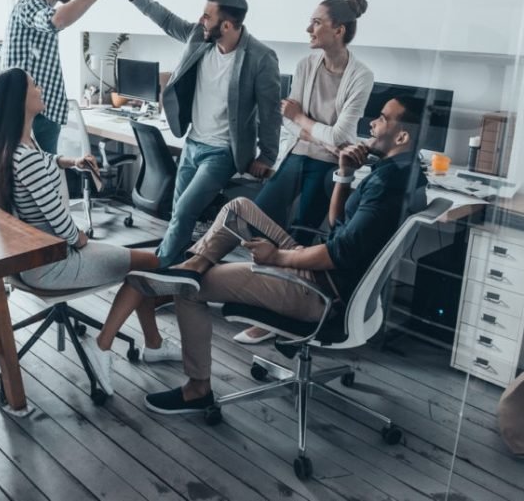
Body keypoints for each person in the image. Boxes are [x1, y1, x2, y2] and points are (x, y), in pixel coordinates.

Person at [118, 95, 427, 413]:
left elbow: (337, 254)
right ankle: (193, 265)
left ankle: (197, 389)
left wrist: (276, 257)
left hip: (319, 291)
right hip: (323, 273)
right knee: (239, 207)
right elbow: (338, 226)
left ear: (401, 136)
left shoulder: (387, 184)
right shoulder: (404, 173)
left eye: (382, 118)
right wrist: (345, 173)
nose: (373, 123)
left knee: (188, 291)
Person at [0, 68, 181, 396]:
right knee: (148, 264)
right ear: (20, 100)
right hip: (54, 262)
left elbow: (42, 162)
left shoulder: (15, 148)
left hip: (34, 260)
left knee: (141, 262)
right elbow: (62, 225)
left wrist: (67, 161)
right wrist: (81, 238)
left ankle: (155, 345)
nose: (41, 88)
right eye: (34, 85)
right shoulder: (25, 158)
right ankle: (104, 345)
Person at [237, 0, 375, 345]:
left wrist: (302, 118)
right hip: (298, 154)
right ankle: (262, 295)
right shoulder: (305, 65)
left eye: (316, 22)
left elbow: (339, 136)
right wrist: (313, 129)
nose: (308, 28)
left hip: (327, 165)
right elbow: (291, 123)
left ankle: (280, 312)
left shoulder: (361, 76)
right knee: (259, 217)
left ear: (338, 30)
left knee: (301, 234)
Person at [128, 0, 281, 267]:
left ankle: (157, 270)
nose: (201, 20)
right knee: (178, 212)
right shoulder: (200, 38)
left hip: (223, 151)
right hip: (193, 142)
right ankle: (179, 270)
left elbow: (270, 111)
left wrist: (267, 155)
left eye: (208, 16)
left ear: (227, 25)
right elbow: (168, 21)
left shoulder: (260, 58)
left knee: (185, 210)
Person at [1, 0, 115, 153]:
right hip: (26, 114)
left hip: (45, 112)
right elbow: (56, 20)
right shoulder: (29, 4)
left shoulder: (44, 8)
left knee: (46, 169)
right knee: (30, 171)